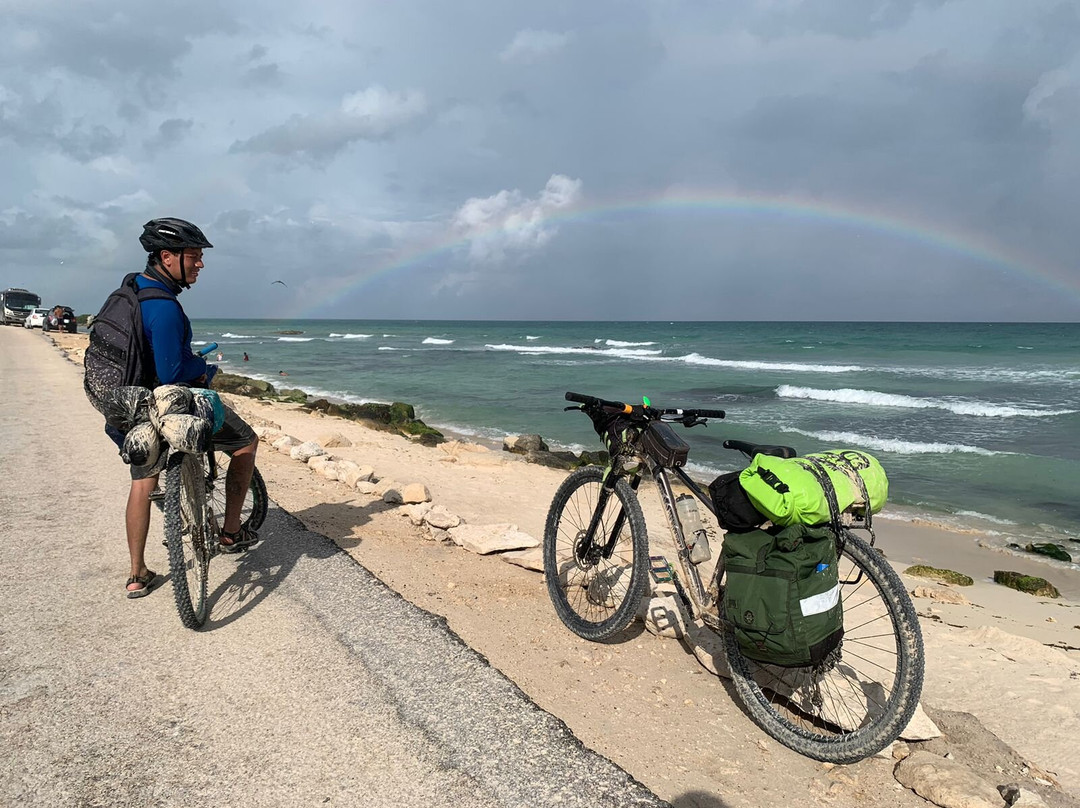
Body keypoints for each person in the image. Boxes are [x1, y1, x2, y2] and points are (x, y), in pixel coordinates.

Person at [106, 217, 261, 598]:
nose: (200, 264)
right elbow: (172, 369)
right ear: (166, 257)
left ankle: (137, 573)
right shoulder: (166, 308)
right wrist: (204, 369)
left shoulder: (131, 290)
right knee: (246, 442)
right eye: (193, 256)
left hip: (129, 407)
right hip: (166, 405)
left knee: (143, 483)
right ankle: (229, 533)